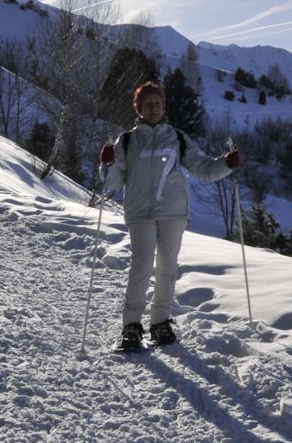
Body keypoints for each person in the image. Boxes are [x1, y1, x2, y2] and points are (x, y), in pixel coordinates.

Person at [99, 80, 240, 350]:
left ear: (164, 106)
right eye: (147, 104)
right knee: (141, 266)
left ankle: (160, 323)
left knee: (167, 267)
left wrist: (226, 164)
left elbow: (203, 167)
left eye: (158, 103)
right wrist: (108, 163)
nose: (153, 107)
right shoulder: (127, 140)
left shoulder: (177, 138)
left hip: (173, 211)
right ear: (138, 108)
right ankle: (131, 326)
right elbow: (113, 181)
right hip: (140, 212)